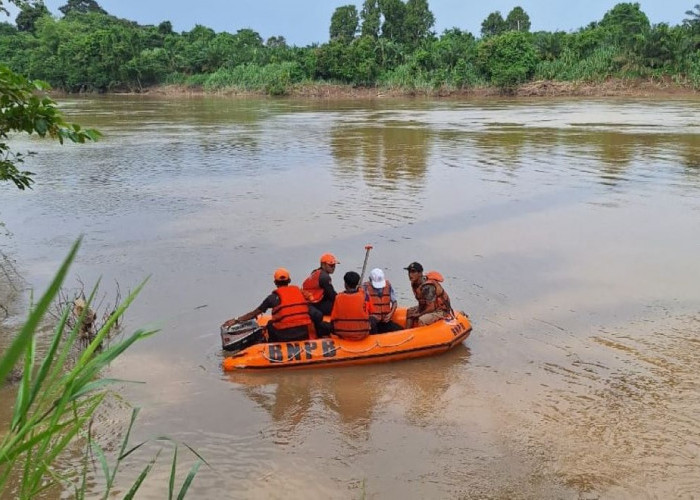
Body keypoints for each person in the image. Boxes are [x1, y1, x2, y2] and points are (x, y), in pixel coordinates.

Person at [222, 268, 320, 342]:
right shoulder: (300, 292)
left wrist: (236, 320)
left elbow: (254, 313)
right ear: (289, 281)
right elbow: (312, 303)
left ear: (275, 282)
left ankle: (272, 346)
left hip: (284, 336)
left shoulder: (272, 298)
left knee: (269, 324)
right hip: (303, 333)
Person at [404, 262, 453, 329]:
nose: (410, 275)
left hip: (440, 310)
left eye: (413, 272)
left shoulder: (428, 286)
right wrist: (418, 310)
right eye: (409, 272)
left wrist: (419, 314)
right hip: (429, 306)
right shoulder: (414, 283)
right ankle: (406, 333)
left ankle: (422, 337)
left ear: (420, 273)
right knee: (410, 311)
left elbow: (431, 307)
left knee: (422, 319)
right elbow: (421, 301)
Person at [330, 271, 377, 340]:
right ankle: (374, 341)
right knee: (374, 319)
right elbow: (370, 312)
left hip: (341, 333)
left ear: (345, 284)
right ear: (357, 284)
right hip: (361, 332)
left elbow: (333, 318)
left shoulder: (338, 297)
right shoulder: (364, 295)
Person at [363, 268, 402, 333]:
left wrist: (390, 314)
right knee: (372, 326)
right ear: (370, 279)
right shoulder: (364, 288)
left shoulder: (388, 285)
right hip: (372, 322)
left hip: (385, 321)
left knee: (400, 330)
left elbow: (394, 302)